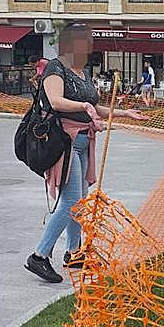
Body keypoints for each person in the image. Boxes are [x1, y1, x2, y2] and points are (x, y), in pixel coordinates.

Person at [25, 25, 146, 284]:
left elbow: (96, 107)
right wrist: (85, 106)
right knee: (71, 202)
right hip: (64, 142)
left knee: (81, 200)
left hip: (82, 141)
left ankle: (74, 251)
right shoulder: (55, 68)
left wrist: (124, 113)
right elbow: (56, 101)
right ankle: (39, 255)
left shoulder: (81, 72)